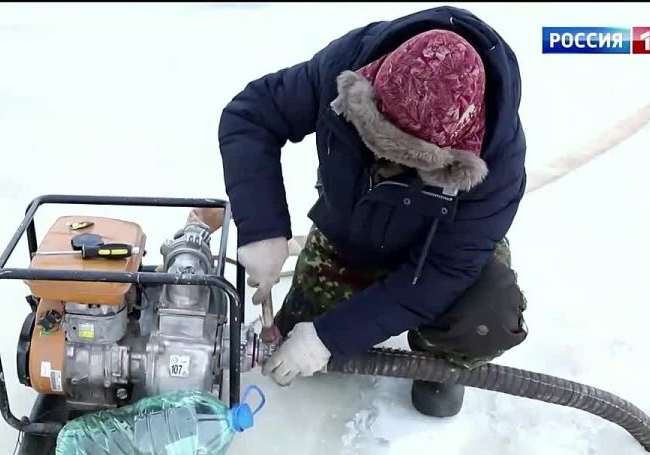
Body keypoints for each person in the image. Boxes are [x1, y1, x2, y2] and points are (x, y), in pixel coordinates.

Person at [217, 6, 529, 418]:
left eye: (402, 161)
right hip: (350, 233)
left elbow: (444, 272)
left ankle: (437, 359)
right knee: (293, 343)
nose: (384, 164)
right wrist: (262, 228)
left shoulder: (499, 163)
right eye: (374, 144)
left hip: (432, 256)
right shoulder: (350, 61)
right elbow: (253, 115)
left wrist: (330, 337)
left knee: (487, 317)